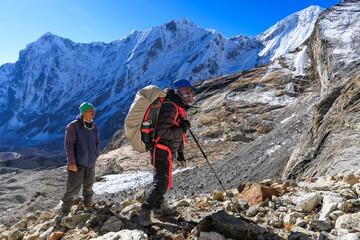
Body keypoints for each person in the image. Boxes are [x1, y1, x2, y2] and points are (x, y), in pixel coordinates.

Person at [138, 79, 196, 226]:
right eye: (186, 91)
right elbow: (162, 131)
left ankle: (159, 209)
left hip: (166, 150)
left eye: (190, 91)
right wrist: (181, 129)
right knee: (161, 184)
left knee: (160, 180)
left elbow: (177, 133)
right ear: (179, 92)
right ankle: (144, 211)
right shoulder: (171, 107)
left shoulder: (178, 106)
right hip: (161, 150)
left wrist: (181, 152)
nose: (189, 95)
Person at [58, 102, 100, 219]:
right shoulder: (73, 126)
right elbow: (69, 145)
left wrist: (96, 154)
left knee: (88, 187)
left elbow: (96, 142)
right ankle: (65, 211)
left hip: (90, 163)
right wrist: (72, 162)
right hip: (78, 164)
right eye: (91, 110)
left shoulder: (93, 126)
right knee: (72, 189)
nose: (93, 112)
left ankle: (87, 206)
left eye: (93, 110)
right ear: (83, 112)